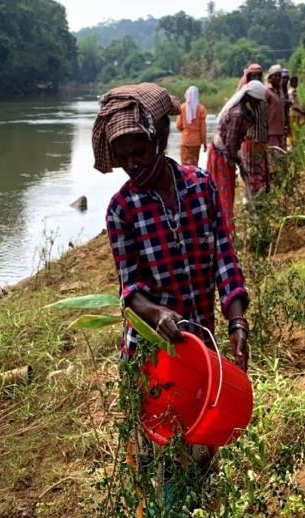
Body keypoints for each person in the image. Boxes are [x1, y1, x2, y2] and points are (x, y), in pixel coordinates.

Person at [93, 82, 250, 370]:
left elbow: (224, 259)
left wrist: (237, 321)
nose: (132, 164)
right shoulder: (122, 209)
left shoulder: (201, 186)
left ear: (160, 141)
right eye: (123, 158)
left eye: (139, 153)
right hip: (151, 352)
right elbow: (130, 291)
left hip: (200, 343)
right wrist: (158, 314)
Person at [206, 80, 266, 233]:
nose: (258, 105)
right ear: (249, 97)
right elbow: (230, 145)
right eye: (257, 101)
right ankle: (226, 230)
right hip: (221, 156)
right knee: (223, 192)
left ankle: (225, 226)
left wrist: (239, 162)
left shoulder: (246, 113)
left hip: (227, 155)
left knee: (229, 191)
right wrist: (239, 163)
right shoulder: (237, 114)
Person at [237, 64, 268, 199]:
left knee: (260, 170)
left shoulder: (262, 93)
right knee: (250, 171)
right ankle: (250, 198)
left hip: (261, 139)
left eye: (259, 75)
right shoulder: (246, 97)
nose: (256, 78)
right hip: (250, 139)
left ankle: (259, 197)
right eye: (253, 76)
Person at [175, 86, 207, 166]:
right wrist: (204, 142)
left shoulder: (182, 107)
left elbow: (178, 125)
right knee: (194, 165)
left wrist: (184, 130)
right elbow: (203, 129)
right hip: (196, 141)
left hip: (185, 140)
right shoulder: (201, 109)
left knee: (184, 165)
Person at [265, 65, 286, 149]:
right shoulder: (267, 91)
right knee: (274, 154)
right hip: (271, 132)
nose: (278, 78)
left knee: (282, 154)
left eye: (279, 76)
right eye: (276, 76)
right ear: (270, 78)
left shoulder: (280, 91)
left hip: (281, 131)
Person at [288, 75, 305, 147]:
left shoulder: (293, 91)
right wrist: (301, 112)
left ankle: (294, 145)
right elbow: (293, 105)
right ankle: (294, 146)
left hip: (296, 114)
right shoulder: (292, 92)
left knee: (295, 131)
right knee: (294, 131)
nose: (296, 83)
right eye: (294, 81)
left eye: (296, 81)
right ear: (291, 82)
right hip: (294, 114)